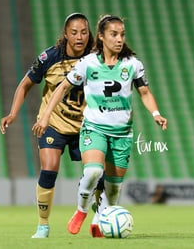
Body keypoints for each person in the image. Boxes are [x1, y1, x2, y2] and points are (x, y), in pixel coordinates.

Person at [32, 15, 168, 236]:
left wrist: (156, 113)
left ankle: (100, 218)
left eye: (122, 34)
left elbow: (144, 92)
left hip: (122, 133)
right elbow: (62, 88)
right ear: (102, 37)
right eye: (114, 34)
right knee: (94, 171)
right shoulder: (88, 63)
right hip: (94, 128)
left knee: (113, 189)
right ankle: (80, 211)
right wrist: (46, 116)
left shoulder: (132, 64)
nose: (119, 39)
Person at [0, 12, 105, 238]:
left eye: (84, 32)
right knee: (49, 170)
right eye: (74, 32)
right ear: (65, 34)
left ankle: (100, 217)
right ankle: (43, 225)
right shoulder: (50, 57)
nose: (79, 37)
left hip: (85, 125)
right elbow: (25, 84)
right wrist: (13, 113)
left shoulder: (97, 57)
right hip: (52, 123)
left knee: (96, 173)